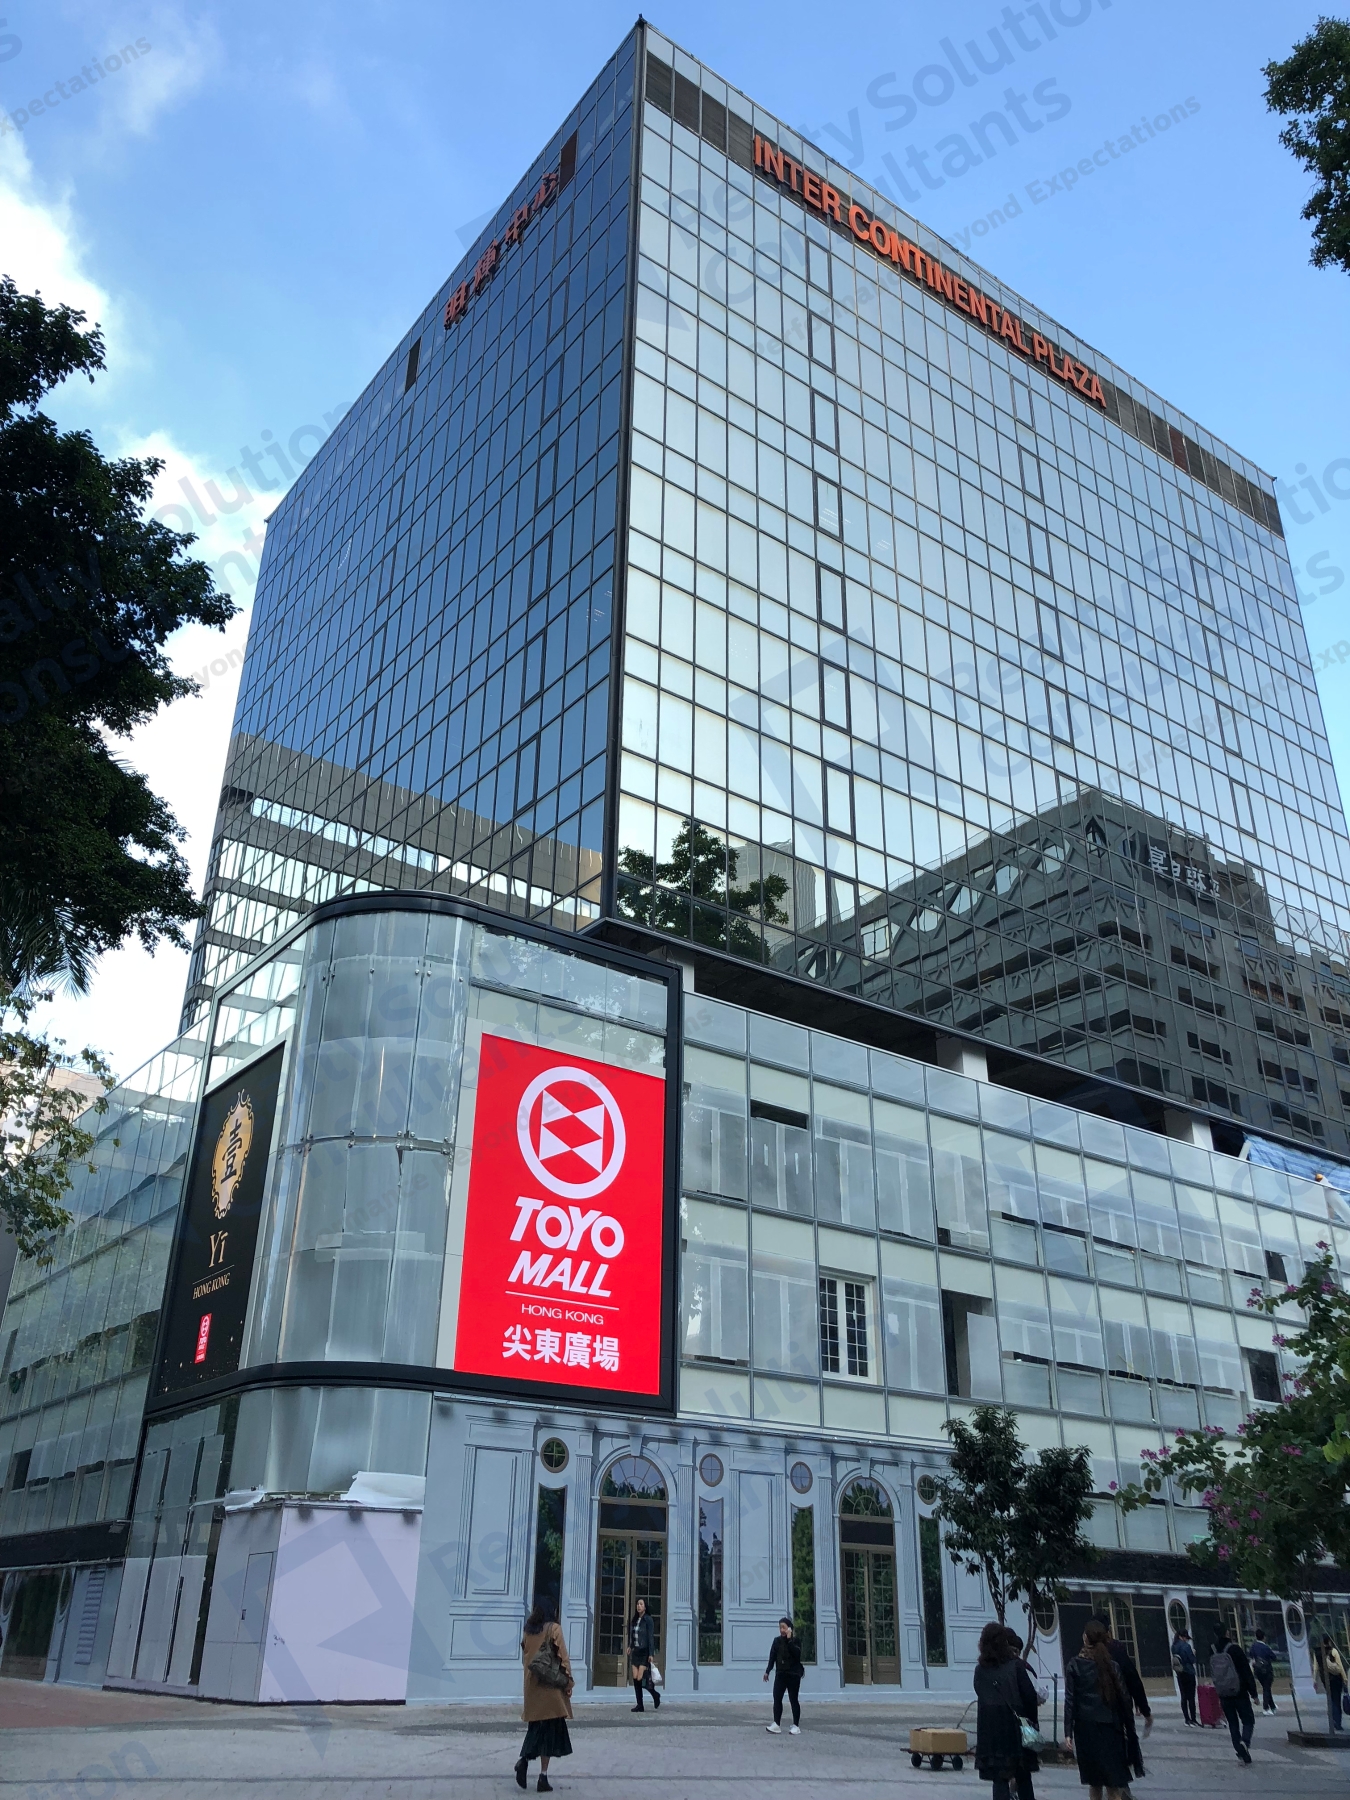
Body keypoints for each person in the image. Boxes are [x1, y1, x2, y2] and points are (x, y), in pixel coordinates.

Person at [1064, 1621, 1135, 1800]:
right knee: (1113, 1784)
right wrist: (1128, 1728)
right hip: (1111, 1729)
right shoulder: (1112, 1665)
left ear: (1085, 1638)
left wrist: (1068, 1732)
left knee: (1095, 1783)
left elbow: (1070, 1700)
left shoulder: (1074, 1664)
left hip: (1085, 1730)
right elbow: (1125, 1699)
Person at [973, 1621, 1040, 1800]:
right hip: (1014, 1729)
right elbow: (1030, 1696)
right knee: (1023, 1777)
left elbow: (980, 1693)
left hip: (991, 1732)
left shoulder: (980, 1670)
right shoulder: (1016, 1666)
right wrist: (1032, 1723)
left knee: (999, 1779)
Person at [517, 1597, 573, 1793]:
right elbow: (563, 1657)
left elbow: (525, 1655)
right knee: (548, 1732)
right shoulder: (553, 1629)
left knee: (536, 1728)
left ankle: (531, 1767)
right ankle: (538, 1772)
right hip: (550, 1687)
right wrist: (569, 1681)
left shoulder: (528, 1630)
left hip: (532, 1686)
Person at [1210, 1628, 1257, 1765]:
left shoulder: (1213, 1650)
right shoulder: (1235, 1649)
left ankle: (1240, 1750)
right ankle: (1245, 1742)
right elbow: (1246, 1671)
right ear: (1227, 1633)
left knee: (1232, 1723)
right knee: (1248, 1720)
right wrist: (1253, 1693)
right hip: (1239, 1691)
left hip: (1223, 1692)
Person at [763, 1616, 804, 1734]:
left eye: (784, 1627)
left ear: (789, 1628)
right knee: (777, 1698)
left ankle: (796, 1725)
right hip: (781, 1673)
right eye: (780, 1627)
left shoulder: (795, 1641)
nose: (782, 1630)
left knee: (793, 1699)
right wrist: (767, 1671)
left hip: (793, 1674)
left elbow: (797, 1655)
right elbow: (772, 1657)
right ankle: (776, 1723)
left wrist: (790, 1640)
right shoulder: (777, 1641)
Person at [628, 1596, 661, 1712]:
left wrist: (651, 1653)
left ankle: (655, 1694)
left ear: (645, 1607)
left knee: (640, 1678)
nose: (639, 1606)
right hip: (636, 1651)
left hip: (644, 1652)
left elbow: (650, 1637)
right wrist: (630, 1646)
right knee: (635, 1678)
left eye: (641, 1604)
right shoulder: (635, 1619)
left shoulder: (648, 1619)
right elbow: (633, 1635)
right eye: (638, 1604)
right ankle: (639, 1705)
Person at [1317, 1635, 1347, 1734]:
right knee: (1336, 1700)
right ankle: (1337, 1722)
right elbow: (1340, 1666)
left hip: (1325, 1679)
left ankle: (1332, 1719)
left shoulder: (1318, 1652)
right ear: (1329, 1641)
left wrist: (1314, 1680)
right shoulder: (1333, 1651)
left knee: (1330, 1699)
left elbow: (1315, 1666)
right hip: (1336, 1679)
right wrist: (1345, 1678)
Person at [1171, 1626, 1197, 1726]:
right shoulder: (1186, 1646)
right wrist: (1193, 1653)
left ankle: (1187, 1719)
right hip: (1189, 1672)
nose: (1186, 1639)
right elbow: (1192, 1660)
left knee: (1184, 1697)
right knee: (1191, 1697)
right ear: (1183, 1637)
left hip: (1180, 1673)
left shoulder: (1174, 1646)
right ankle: (1193, 1719)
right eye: (1186, 1638)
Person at [1249, 1629, 1277, 1714]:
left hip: (1258, 1670)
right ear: (1264, 1637)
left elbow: (1251, 1655)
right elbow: (1274, 1657)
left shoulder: (1253, 1646)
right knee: (1266, 1688)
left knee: (1266, 1688)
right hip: (1266, 1670)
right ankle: (1266, 1708)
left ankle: (1272, 1706)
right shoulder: (1266, 1647)